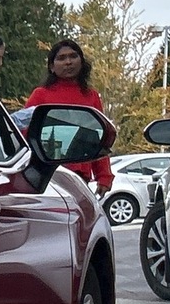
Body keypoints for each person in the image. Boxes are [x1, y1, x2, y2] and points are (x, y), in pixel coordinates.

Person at [23, 38, 113, 192]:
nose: (68, 62)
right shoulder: (40, 95)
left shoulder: (91, 96)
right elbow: (24, 132)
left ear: (81, 61)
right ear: (52, 66)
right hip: (46, 176)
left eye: (73, 56)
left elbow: (99, 137)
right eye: (61, 58)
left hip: (79, 179)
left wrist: (104, 176)